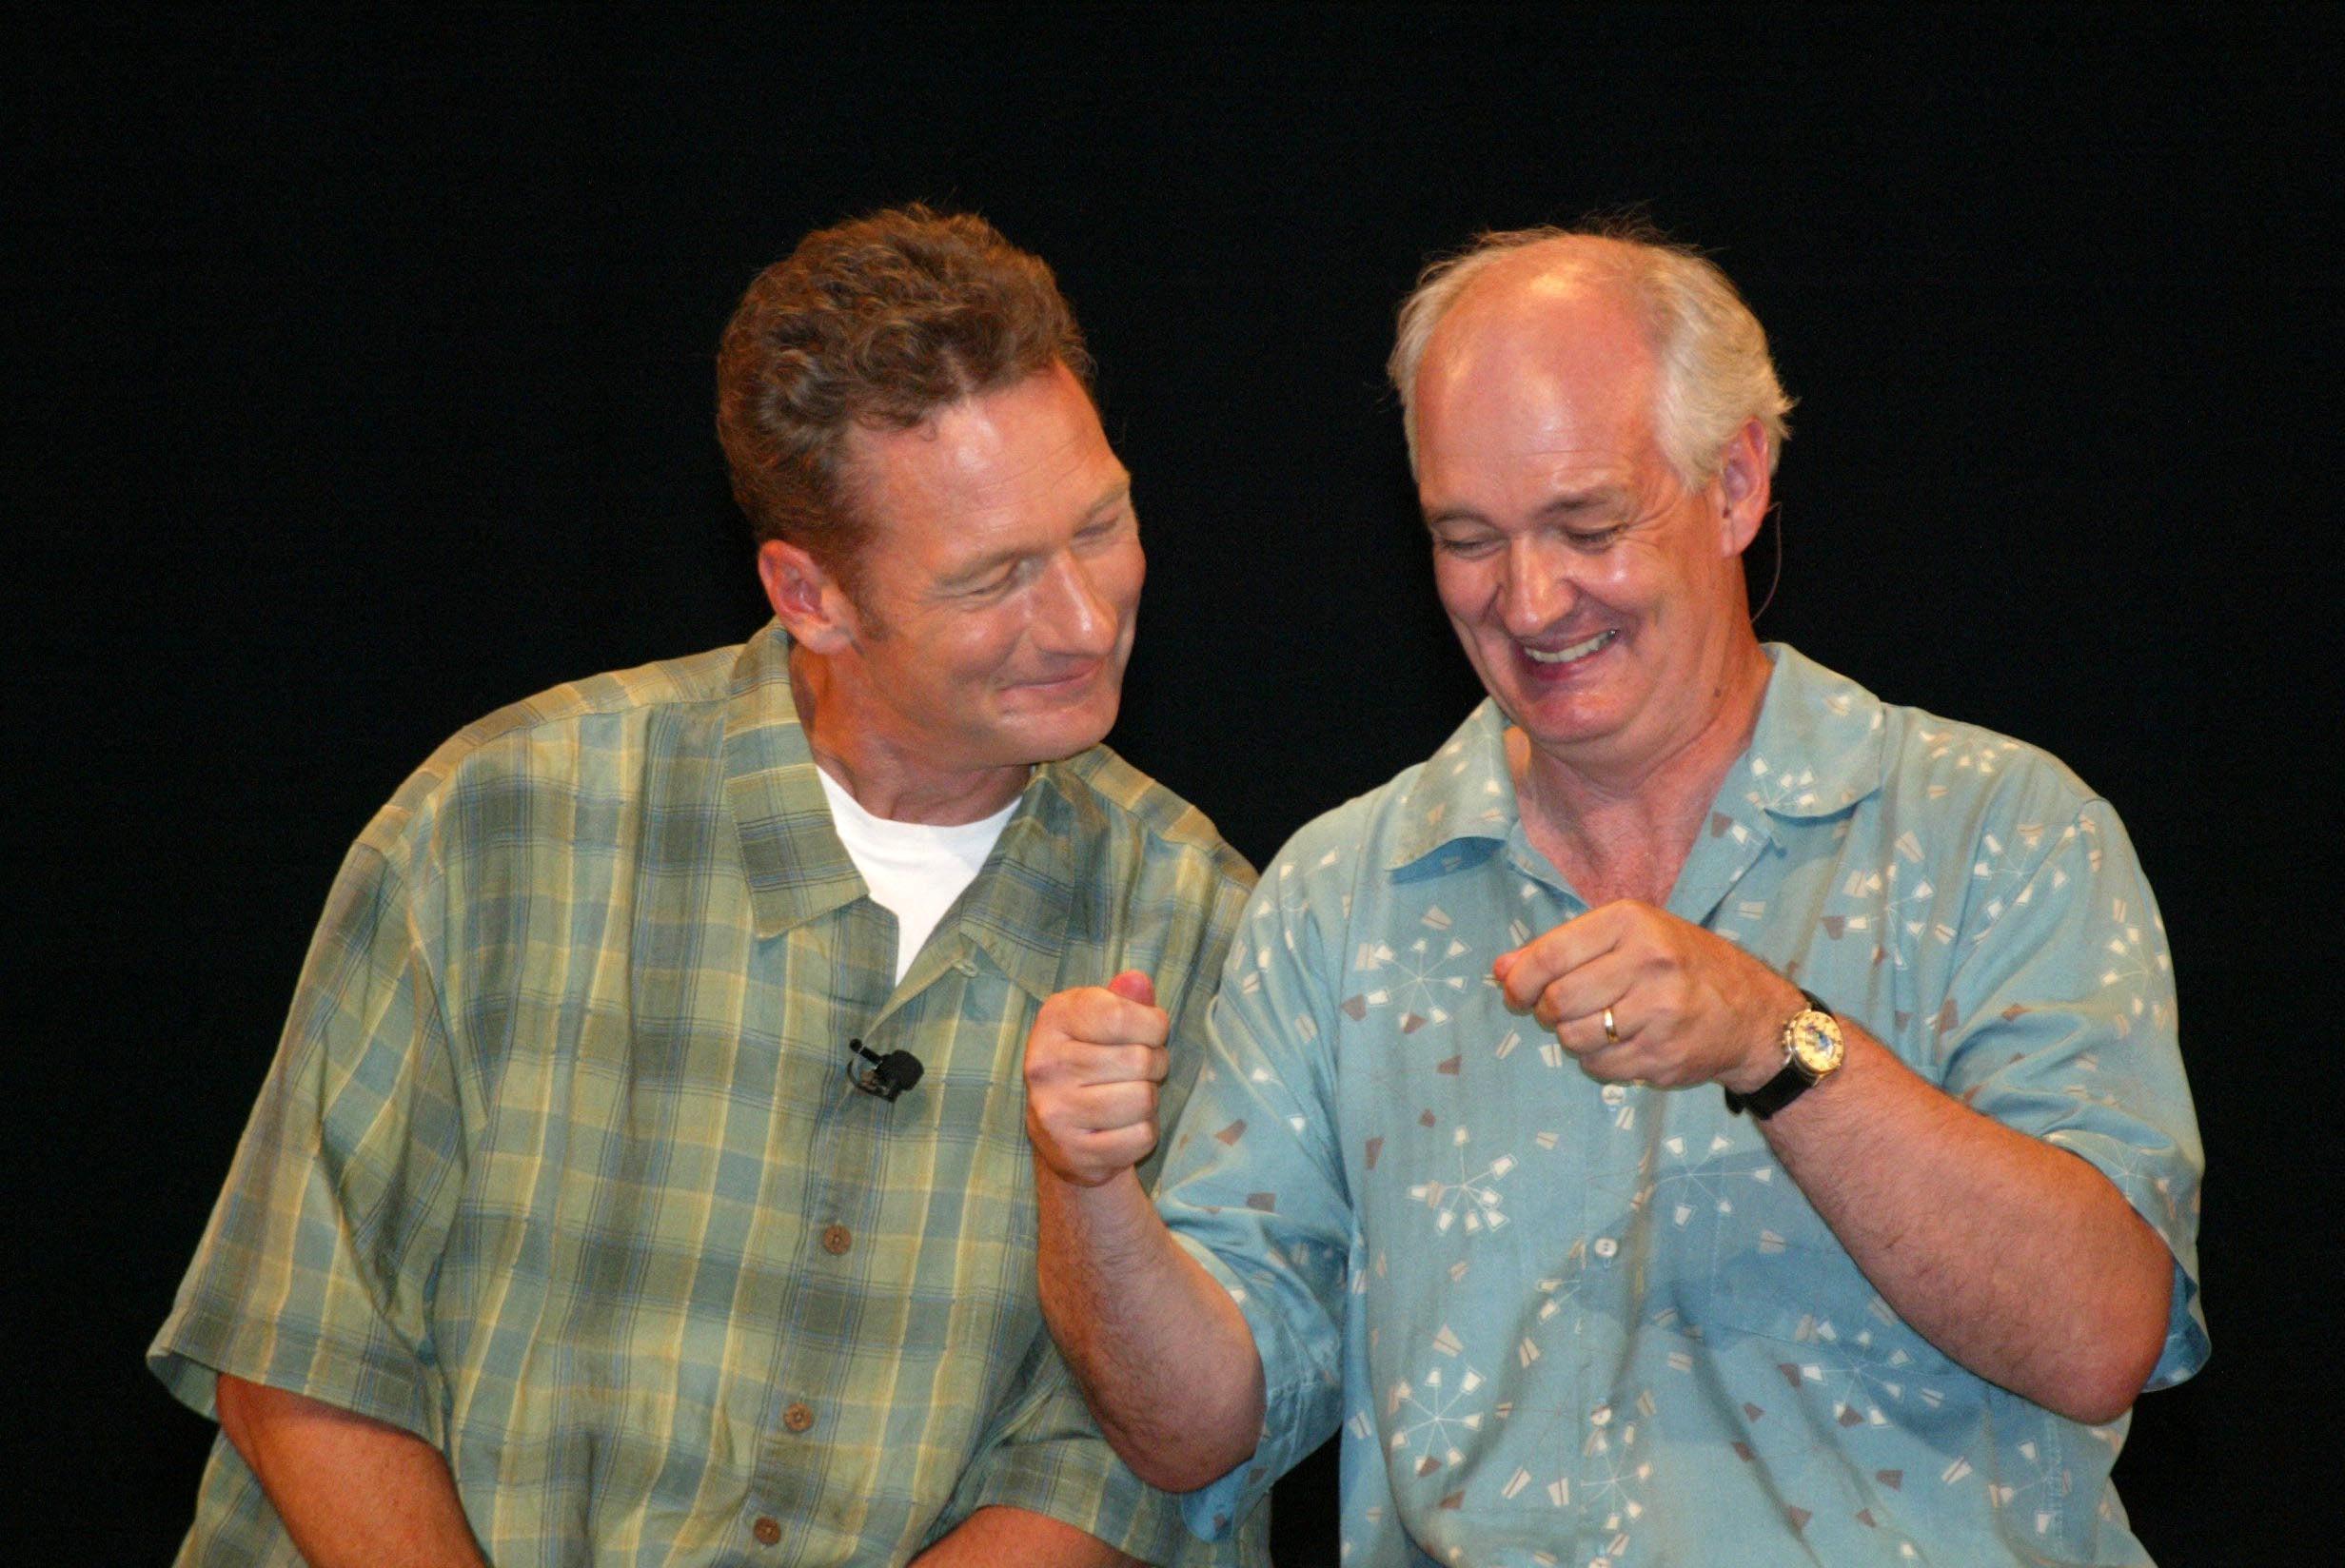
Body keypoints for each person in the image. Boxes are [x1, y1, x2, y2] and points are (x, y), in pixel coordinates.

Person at [1025, 223, 2205, 1566]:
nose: (1530, 601)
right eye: (1468, 540)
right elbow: (1196, 1431)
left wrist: (1780, 1040)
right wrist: (1088, 1192)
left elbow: (2102, 1333)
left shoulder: (1995, 830)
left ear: (1737, 482)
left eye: (1587, 525)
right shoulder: (1343, 894)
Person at [150, 206, 1260, 1567]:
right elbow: (299, 1345)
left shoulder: (1198, 918)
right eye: (995, 578)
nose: (1087, 620)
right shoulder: (503, 821)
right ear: (810, 597)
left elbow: (1122, 1474)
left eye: (1102, 525)